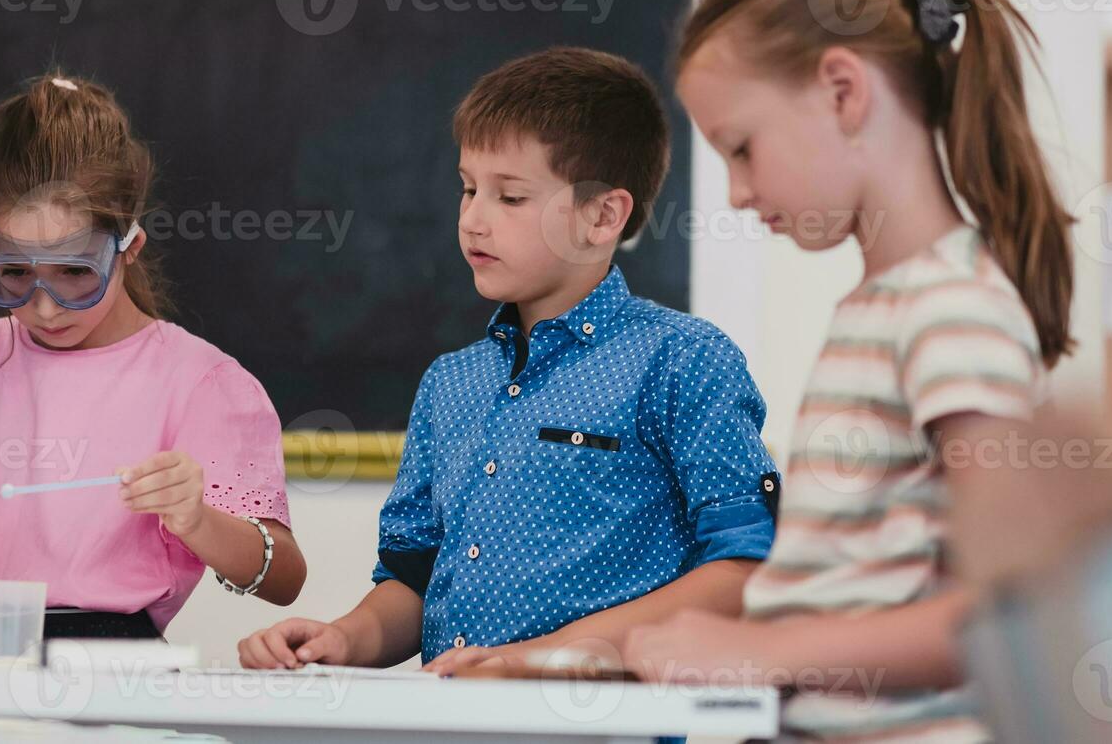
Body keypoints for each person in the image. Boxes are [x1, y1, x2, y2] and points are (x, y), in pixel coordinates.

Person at [627, 0, 1075, 743]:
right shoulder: (883, 308)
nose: (733, 191)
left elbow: (1006, 612)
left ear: (842, 91)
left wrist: (757, 651)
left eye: (742, 148)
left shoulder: (951, 308)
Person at [239, 47, 778, 680]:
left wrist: (541, 661)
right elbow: (412, 579)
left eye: (511, 198)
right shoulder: (451, 382)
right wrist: (343, 637)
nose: (471, 219)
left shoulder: (682, 360)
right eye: (468, 189)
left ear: (604, 215)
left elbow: (746, 571)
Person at [0, 74, 305, 647]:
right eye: (14, 272)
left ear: (129, 248)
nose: (43, 307)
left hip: (116, 673)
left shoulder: (201, 383)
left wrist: (197, 520)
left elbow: (284, 577)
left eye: (74, 273)